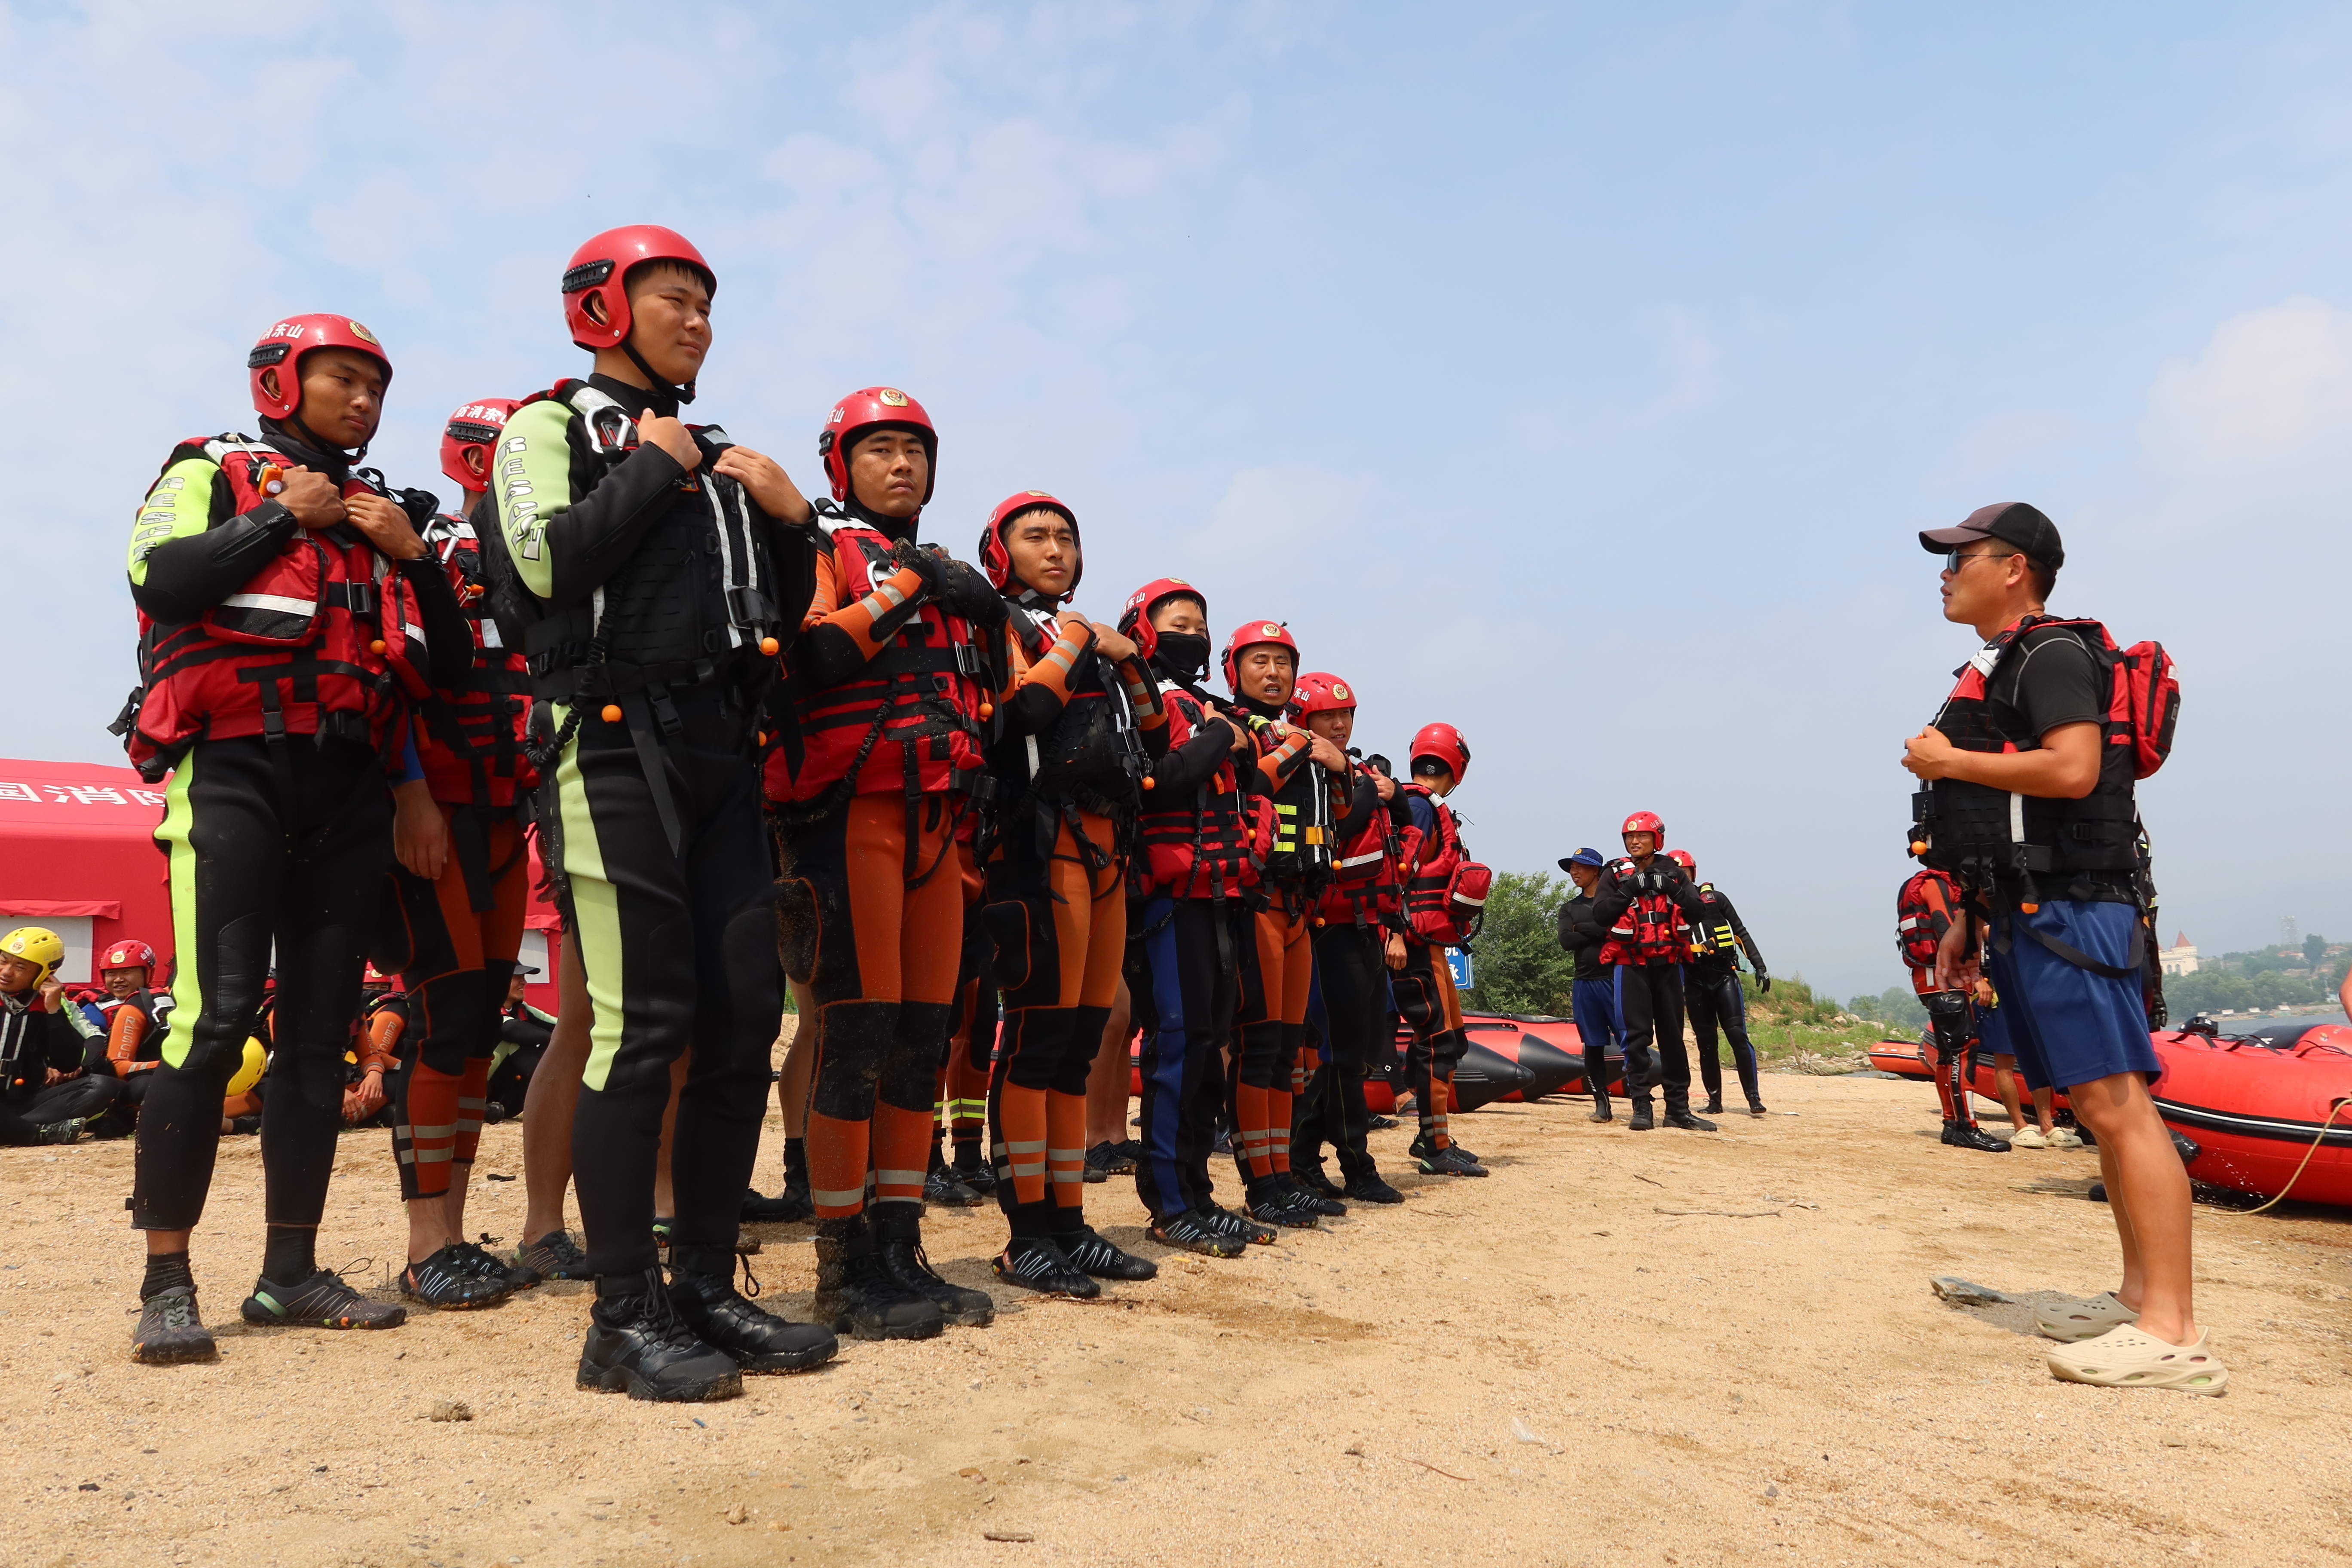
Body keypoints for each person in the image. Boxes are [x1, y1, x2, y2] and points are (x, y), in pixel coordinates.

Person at [493, 226, 833, 1399]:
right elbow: (545, 568)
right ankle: (620, 1317)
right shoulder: (547, 428)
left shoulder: (727, 459)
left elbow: (778, 609)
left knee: (742, 1024)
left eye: (704, 303)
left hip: (723, 756)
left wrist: (792, 520)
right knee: (640, 1031)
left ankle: (702, 1289)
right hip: (607, 748)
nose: (695, 321)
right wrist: (653, 463)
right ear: (602, 308)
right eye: (671, 299)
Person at [118, 312, 469, 1366]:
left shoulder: (383, 521)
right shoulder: (210, 467)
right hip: (235, 775)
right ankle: (166, 1284)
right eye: (342, 379)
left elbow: (442, 673)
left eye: (375, 386)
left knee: (320, 1039)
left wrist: (417, 558)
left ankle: (290, 1275)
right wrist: (281, 516)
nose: (363, 400)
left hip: (350, 790)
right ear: (281, 381)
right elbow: (159, 580)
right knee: (214, 1025)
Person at [1905, 501, 2219, 1393]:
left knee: (2118, 1105)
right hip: (2028, 910)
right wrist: (1968, 917)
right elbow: (2012, 815)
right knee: (2095, 1106)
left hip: (2077, 912)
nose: (1944, 573)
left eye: (1961, 557)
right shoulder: (2005, 661)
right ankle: (2136, 1297)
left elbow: (2073, 768)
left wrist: (1948, 762)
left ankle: (2174, 1332)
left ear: (2015, 568)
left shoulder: (2049, 654)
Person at [771, 385, 1001, 1341]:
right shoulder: (819, 547)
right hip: (846, 814)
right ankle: (842, 1264)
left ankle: (901, 1247)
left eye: (915, 449)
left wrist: (962, 593)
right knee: (854, 1035)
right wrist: (910, 586)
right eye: (880, 449)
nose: (902, 464)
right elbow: (811, 660)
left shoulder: (950, 575)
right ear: (841, 464)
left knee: (921, 1038)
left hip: (936, 823)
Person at [371, 395, 548, 1307]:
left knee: (479, 1028)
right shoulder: (432, 548)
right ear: (481, 460)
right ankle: (423, 1245)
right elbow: (392, 676)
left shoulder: (548, 565)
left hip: (507, 817)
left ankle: (454, 1231)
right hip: (437, 813)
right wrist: (409, 796)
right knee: (441, 1025)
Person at [971, 491, 1165, 1293]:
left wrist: (1130, 659)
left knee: (1080, 1043)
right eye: (1036, 536)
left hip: (1106, 847)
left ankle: (1068, 1224)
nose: (1055, 550)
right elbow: (1022, 712)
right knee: (1037, 1038)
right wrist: (1085, 638)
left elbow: (1157, 736)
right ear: (1001, 551)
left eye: (1065, 538)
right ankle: (1026, 1236)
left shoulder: (1090, 640)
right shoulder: (1000, 622)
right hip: (1037, 843)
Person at [1118, 578, 1265, 1256]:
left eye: (1201, 627)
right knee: (1176, 1046)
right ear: (1145, 630)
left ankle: (1199, 1194)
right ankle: (1169, 1204)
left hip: (1221, 897)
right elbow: (1158, 782)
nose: (1194, 635)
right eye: (1179, 623)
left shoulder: (1208, 707)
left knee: (1208, 1049)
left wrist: (1233, 739)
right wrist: (1218, 738)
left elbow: (1247, 786)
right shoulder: (1138, 694)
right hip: (1169, 903)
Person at [1222, 622, 1344, 1223]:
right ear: (1235, 670)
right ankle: (1262, 1186)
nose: (1274, 673)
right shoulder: (1232, 725)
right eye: (1261, 661)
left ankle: (1283, 1175)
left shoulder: (1305, 737)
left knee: (1288, 1052)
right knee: (1260, 1045)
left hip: (1301, 906)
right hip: (1261, 901)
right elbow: (1251, 783)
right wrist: (1299, 747)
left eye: (1283, 662)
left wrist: (1340, 765)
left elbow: (1348, 809)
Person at [1287, 676, 1406, 1204]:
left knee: (1353, 1055)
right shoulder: (1303, 769)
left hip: (1366, 927)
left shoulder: (1356, 772)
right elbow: (1341, 826)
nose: (1339, 724)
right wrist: (1360, 784)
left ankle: (1300, 1158)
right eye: (1327, 717)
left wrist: (1387, 790)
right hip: (1327, 931)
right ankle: (1358, 1167)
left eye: (1346, 715)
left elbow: (1400, 821)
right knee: (1341, 1055)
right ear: (1303, 721)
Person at [1395, 723, 1490, 1173]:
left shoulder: (1423, 806)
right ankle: (1434, 1149)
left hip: (1429, 942)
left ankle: (1433, 1138)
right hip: (1414, 941)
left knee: (1450, 1040)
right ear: (1458, 768)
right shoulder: (1419, 807)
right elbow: (1395, 872)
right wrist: (1394, 933)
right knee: (1437, 1042)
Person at [1591, 812, 1716, 1132]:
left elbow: (1697, 912)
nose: (1635, 842)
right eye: (1630, 837)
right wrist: (1629, 890)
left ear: (1657, 839)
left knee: (1673, 1038)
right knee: (1636, 1039)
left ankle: (1678, 1110)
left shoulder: (1673, 871)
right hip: (1631, 967)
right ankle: (1642, 1107)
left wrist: (1674, 889)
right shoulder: (1615, 873)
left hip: (1668, 968)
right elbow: (1601, 915)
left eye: (1642, 836)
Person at [1896, 866, 2006, 1153]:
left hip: (1929, 979)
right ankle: (1967, 1127)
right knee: (1963, 1051)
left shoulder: (1917, 884)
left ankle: (1952, 1124)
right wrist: (1977, 976)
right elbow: (1944, 924)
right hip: (1946, 977)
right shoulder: (1937, 885)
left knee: (1948, 1055)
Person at [0, 929, 124, 1145]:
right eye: (3, 961)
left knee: (102, 1086)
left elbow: (67, 1064)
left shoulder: (48, 1004)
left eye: (20, 967)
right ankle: (35, 1133)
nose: (6, 972)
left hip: (24, 1102)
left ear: (42, 975)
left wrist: (54, 1011)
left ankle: (14, 1129)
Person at [1675, 850, 1771, 1117]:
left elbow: (1740, 932)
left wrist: (1760, 966)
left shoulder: (1716, 900)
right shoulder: (1667, 909)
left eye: (1684, 872)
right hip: (1694, 982)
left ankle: (1753, 1098)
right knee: (1707, 1044)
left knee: (1738, 1036)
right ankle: (1714, 1101)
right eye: (1675, 874)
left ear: (1693, 873)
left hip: (1723, 977)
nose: (1680, 877)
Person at [1555, 848, 1624, 1122]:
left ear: (1597, 871)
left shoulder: (1613, 904)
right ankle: (1602, 1105)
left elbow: (1618, 934)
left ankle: (1642, 1103)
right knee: (1593, 1047)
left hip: (1616, 980)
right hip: (1584, 984)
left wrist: (1583, 929)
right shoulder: (1569, 908)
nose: (1574, 872)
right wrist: (1601, 932)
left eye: (1580, 867)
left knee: (1630, 1042)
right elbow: (1566, 942)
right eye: (1572, 868)